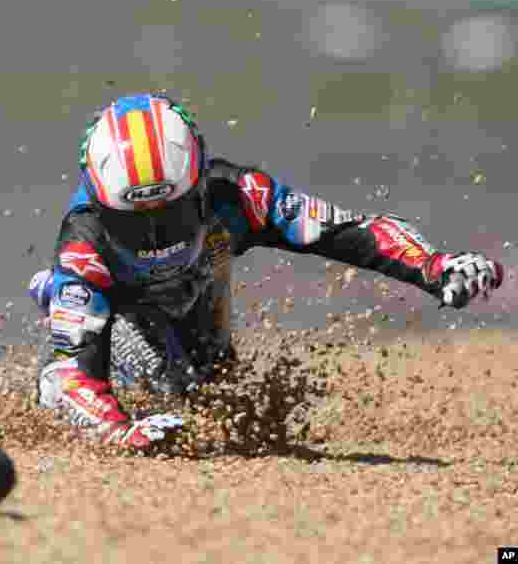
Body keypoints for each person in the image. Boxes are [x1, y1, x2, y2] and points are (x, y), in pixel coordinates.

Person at [27, 93, 505, 449]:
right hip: (121, 310)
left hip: (198, 297)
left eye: (169, 215)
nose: (155, 236)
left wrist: (436, 265)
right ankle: (64, 304)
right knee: (95, 381)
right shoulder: (83, 245)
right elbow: (70, 379)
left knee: (223, 394)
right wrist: (122, 432)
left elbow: (352, 230)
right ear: (100, 205)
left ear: (198, 186)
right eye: (135, 223)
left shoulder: (241, 196)